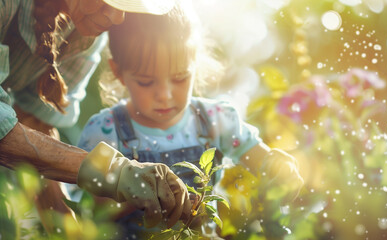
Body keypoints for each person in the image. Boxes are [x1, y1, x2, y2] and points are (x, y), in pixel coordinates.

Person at [76, 0, 304, 237]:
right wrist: (139, 195)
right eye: (146, 81)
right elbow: (92, 207)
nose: (164, 95)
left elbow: (259, 158)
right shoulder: (106, 132)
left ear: (195, 64)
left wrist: (278, 167)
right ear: (118, 72)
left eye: (179, 78)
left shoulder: (215, 120)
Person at [0, 0, 191, 234]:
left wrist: (69, 229)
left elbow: (35, 121)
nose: (118, 16)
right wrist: (114, 171)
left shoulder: (82, 34)